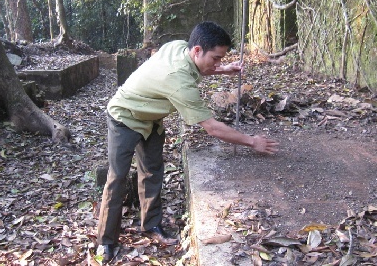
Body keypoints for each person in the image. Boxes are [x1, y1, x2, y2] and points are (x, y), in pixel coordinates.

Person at [96, 21, 279, 262]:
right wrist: (252, 141)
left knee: (152, 171)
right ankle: (106, 241)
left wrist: (224, 70)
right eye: (216, 58)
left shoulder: (180, 47)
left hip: (151, 118)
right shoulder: (179, 80)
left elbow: (200, 68)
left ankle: (151, 225)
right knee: (117, 177)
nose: (218, 63)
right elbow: (212, 128)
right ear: (197, 50)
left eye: (221, 59)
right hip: (124, 116)